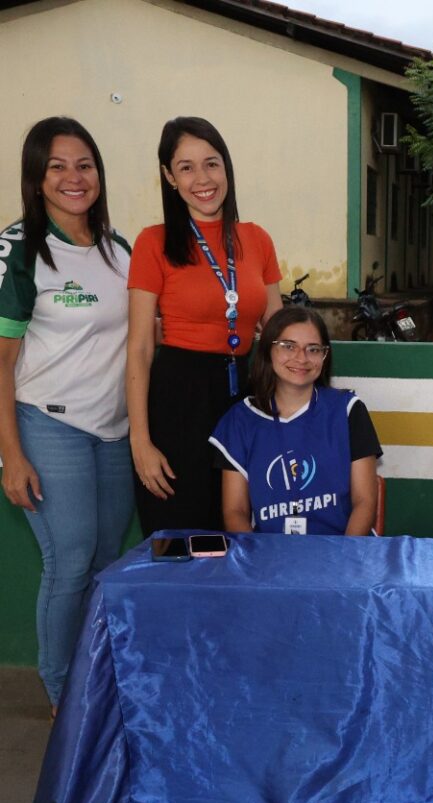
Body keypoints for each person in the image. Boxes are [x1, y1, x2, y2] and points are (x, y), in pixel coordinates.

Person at [0, 117, 133, 712]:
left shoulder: (118, 248)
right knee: (70, 562)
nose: (73, 178)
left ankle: (97, 680)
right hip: (48, 425)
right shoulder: (19, 249)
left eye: (84, 165)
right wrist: (11, 455)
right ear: (36, 177)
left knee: (106, 562)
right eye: (57, 166)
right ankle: (62, 697)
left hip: (114, 432)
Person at [126, 116, 283, 535]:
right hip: (178, 402)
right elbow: (139, 347)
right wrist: (140, 441)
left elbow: (278, 333)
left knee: (241, 539)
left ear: (226, 166)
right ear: (169, 177)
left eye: (212, 163)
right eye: (186, 167)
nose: (203, 179)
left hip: (245, 398)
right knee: (180, 545)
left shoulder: (257, 239)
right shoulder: (153, 242)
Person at [209, 307, 380, 535]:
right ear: (268, 350)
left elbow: (364, 502)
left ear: (325, 356)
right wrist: (259, 557)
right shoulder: (240, 420)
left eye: (313, 349)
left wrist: (344, 554)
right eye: (288, 346)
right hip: (268, 551)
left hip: (342, 548)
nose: (301, 358)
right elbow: (235, 512)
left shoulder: (348, 410)